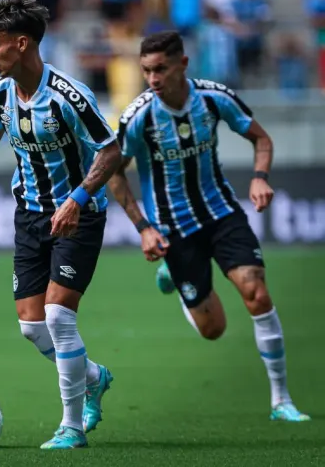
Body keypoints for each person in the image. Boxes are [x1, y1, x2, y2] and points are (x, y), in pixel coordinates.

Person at [0, 0, 123, 449]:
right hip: (30, 215)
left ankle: (71, 427)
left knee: (59, 316)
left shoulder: (68, 96)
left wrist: (78, 198)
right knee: (31, 326)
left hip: (78, 217)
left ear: (21, 44)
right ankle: (92, 376)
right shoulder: (1, 93)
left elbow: (111, 150)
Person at [108, 30, 310, 422]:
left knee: (256, 292)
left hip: (221, 213)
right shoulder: (139, 116)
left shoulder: (214, 99)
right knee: (213, 329)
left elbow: (261, 139)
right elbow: (115, 174)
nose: (152, 79)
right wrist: (144, 228)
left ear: (182, 64)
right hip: (174, 229)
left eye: (161, 69)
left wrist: (259, 176)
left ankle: (281, 399)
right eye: (147, 70)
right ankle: (179, 282)